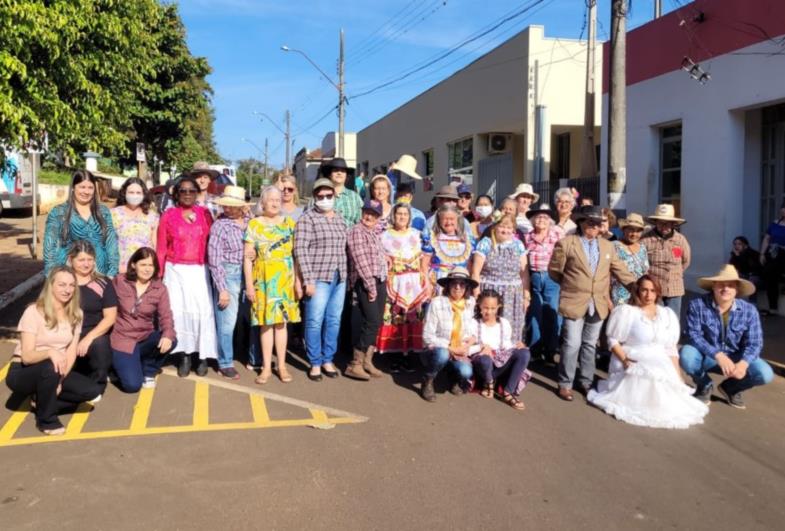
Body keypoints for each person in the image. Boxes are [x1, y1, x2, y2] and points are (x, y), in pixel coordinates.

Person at [587, 276, 709, 428]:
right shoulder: (628, 312)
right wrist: (625, 360)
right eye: (644, 290)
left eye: (652, 291)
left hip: (660, 360)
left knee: (673, 399)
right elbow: (613, 340)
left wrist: (678, 376)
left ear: (658, 293)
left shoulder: (667, 315)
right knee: (648, 379)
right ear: (638, 291)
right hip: (633, 358)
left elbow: (670, 349)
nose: (648, 295)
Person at [548, 205, 636, 401]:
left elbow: (619, 269)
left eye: (599, 223)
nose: (595, 227)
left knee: (589, 344)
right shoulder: (566, 243)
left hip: (598, 302)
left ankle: (586, 381)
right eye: (591, 222)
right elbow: (554, 271)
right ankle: (565, 383)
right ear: (581, 223)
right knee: (571, 344)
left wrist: (636, 287)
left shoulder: (607, 246)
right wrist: (572, 285)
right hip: (574, 300)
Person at [6, 267, 103, 435]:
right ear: (51, 286)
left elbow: (71, 351)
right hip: (23, 372)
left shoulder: (76, 314)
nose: (67, 290)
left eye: (72, 285)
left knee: (93, 392)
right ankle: (47, 420)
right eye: (62, 285)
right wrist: (50, 352)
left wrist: (60, 380)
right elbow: (27, 356)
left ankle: (40, 399)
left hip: (56, 371)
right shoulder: (33, 311)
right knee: (50, 366)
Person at [680, 265, 774, 409]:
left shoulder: (749, 311)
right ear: (713, 286)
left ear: (737, 290)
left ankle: (731, 388)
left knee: (765, 373)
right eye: (721, 285)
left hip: (736, 358)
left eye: (730, 285)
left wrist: (743, 364)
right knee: (686, 355)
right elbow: (693, 335)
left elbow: (755, 343)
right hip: (708, 356)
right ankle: (704, 384)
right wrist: (717, 355)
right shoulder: (697, 305)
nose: (725, 289)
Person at [157, 176, 217, 377]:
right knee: (179, 313)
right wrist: (159, 275)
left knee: (202, 312)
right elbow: (161, 247)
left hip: (200, 270)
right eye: (183, 191)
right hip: (175, 271)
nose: (188, 194)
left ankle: (202, 356)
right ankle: (184, 355)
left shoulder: (205, 214)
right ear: (176, 194)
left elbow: (214, 241)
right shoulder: (168, 215)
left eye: (192, 190)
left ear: (197, 193)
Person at [245, 186, 301, 384]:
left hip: (285, 280)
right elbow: (247, 258)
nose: (275, 202)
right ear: (263, 202)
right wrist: (249, 286)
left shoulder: (290, 224)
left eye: (278, 199)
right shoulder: (254, 224)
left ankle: (282, 366)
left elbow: (296, 256)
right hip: (263, 280)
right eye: (271, 199)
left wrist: (297, 281)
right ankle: (266, 367)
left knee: (281, 324)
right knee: (266, 324)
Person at [294, 178, 348, 381]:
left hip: (339, 276)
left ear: (334, 196)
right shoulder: (307, 218)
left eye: (329, 196)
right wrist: (307, 279)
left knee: (333, 320)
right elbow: (300, 249)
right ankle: (315, 361)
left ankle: (328, 358)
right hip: (318, 277)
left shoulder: (340, 219)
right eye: (320, 196)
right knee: (314, 321)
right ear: (315, 197)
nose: (325, 199)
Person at [111, 248, 176, 392]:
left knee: (171, 338)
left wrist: (167, 335)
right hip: (123, 339)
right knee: (132, 386)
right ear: (134, 264)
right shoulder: (120, 281)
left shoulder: (159, 288)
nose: (147, 269)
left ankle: (148, 369)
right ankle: (118, 365)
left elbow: (166, 315)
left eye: (151, 265)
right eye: (143, 264)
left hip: (144, 337)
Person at [376, 203, 428, 372]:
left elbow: (425, 257)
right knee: (396, 318)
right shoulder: (384, 236)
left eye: (405, 214)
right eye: (399, 213)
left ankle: (410, 356)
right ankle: (395, 357)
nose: (402, 217)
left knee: (413, 318)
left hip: (414, 283)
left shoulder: (417, 234)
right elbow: (378, 255)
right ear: (393, 215)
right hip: (395, 282)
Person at [208, 186, 250, 380]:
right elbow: (214, 259)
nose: (228, 209)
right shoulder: (220, 226)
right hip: (229, 274)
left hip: (248, 275)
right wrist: (222, 288)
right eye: (226, 205)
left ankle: (248, 355)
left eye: (232, 206)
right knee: (227, 323)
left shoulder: (251, 222)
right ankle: (225, 362)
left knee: (247, 319)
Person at [43, 170, 119, 276]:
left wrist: (113, 271)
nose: (86, 192)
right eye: (82, 187)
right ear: (73, 188)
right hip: (68, 272)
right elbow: (50, 245)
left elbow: (111, 242)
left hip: (100, 271)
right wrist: (51, 274)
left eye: (90, 188)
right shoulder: (59, 212)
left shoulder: (103, 212)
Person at [470, 215, 530, 343]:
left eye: (509, 227)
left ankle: (509, 357)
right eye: (502, 226)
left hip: (513, 295)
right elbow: (475, 272)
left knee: (510, 328)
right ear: (495, 227)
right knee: (489, 325)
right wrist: (477, 296)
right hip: (490, 293)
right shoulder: (486, 243)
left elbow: (524, 274)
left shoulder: (518, 245)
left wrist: (526, 296)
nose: (505, 230)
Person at [420, 267, 477, 402]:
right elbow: (427, 337)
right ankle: (428, 380)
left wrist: (468, 344)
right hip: (436, 350)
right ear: (448, 285)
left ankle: (453, 377)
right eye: (454, 283)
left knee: (466, 372)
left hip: (459, 350)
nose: (458, 287)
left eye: (462, 284)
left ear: (467, 287)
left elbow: (473, 330)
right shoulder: (437, 303)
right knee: (442, 354)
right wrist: (451, 348)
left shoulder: (470, 303)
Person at [346, 200, 388, 380]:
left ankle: (367, 361)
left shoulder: (373, 233)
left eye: (373, 214)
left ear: (378, 217)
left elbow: (378, 256)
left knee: (376, 322)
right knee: (371, 321)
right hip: (365, 282)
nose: (369, 216)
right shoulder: (356, 231)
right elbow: (360, 260)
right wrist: (370, 285)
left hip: (379, 280)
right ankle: (355, 363)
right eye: (366, 212)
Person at [468, 289, 530, 410]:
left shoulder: (504, 323)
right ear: (479, 305)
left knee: (524, 353)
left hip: (499, 364)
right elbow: (467, 349)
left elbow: (506, 345)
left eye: (493, 308)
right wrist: (480, 347)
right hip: (482, 367)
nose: (489, 312)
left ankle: (508, 392)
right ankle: (488, 383)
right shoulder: (474, 323)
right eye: (485, 307)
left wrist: (516, 346)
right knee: (485, 359)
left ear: (498, 307)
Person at [68, 241, 117, 392]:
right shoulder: (64, 281)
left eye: (90, 259)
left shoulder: (103, 283)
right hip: (66, 330)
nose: (86, 264)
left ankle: (97, 385)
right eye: (81, 260)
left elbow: (110, 317)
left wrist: (89, 337)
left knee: (100, 345)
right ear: (71, 260)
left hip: (93, 331)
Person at [523, 203, 563, 362]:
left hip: (551, 276)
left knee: (551, 312)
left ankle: (551, 349)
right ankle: (535, 349)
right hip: (533, 277)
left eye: (545, 217)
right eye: (538, 217)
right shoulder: (527, 237)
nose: (541, 220)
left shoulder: (557, 235)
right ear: (532, 220)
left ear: (550, 221)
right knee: (534, 313)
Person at [640, 204, 691, 319]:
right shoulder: (645, 240)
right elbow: (641, 264)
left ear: (673, 224)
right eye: (661, 223)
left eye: (668, 223)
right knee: (655, 320)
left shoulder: (680, 240)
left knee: (673, 321)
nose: (664, 226)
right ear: (656, 222)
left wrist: (675, 273)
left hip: (675, 288)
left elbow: (686, 261)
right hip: (653, 289)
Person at [422, 204, 475, 295]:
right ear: (439, 220)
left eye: (452, 219)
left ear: (458, 220)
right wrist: (426, 283)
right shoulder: (432, 238)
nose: (448, 222)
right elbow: (424, 264)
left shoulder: (467, 239)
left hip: (460, 283)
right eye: (445, 219)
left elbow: (470, 265)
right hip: (437, 282)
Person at [111, 177, 158, 274]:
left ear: (144, 194)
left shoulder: (152, 216)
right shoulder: (113, 214)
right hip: (121, 269)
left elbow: (154, 244)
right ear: (124, 193)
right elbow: (109, 242)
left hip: (145, 269)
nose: (135, 196)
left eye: (138, 193)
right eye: (131, 193)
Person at [611, 213, 650, 306]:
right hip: (619, 299)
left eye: (638, 231)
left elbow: (646, 272)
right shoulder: (614, 246)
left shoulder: (642, 248)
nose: (634, 234)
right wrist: (608, 301)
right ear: (624, 230)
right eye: (631, 230)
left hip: (640, 297)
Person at [759, 201, 785, 314]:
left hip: (783, 254)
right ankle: (772, 308)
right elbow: (766, 239)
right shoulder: (775, 223)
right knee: (769, 276)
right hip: (772, 253)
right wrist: (762, 253)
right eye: (783, 208)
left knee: (770, 273)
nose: (783, 210)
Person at [320, 157, 362, 227]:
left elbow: (360, 223)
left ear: (346, 175)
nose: (339, 173)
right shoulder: (319, 196)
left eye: (342, 171)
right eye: (336, 170)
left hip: (349, 236)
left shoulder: (355, 197)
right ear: (329, 174)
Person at [729, 236, 761, 305]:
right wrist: (736, 256)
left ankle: (753, 304)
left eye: (739, 244)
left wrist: (738, 256)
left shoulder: (753, 253)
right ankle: (732, 303)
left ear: (745, 245)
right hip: (743, 275)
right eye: (735, 244)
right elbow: (731, 267)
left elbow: (749, 267)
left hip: (754, 275)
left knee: (752, 282)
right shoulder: (735, 254)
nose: (736, 246)